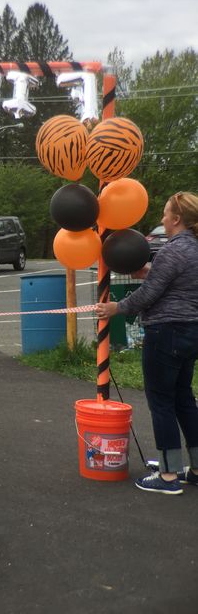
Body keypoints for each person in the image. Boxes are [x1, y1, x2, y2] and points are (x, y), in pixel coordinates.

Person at [95, 192, 198, 495]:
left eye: (166, 214)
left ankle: (167, 476)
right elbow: (174, 284)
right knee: (183, 399)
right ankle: (194, 468)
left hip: (166, 332)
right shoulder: (193, 249)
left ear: (177, 219)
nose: (163, 219)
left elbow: (149, 295)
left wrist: (117, 307)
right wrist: (149, 273)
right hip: (190, 332)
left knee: (162, 403)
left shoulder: (172, 250)